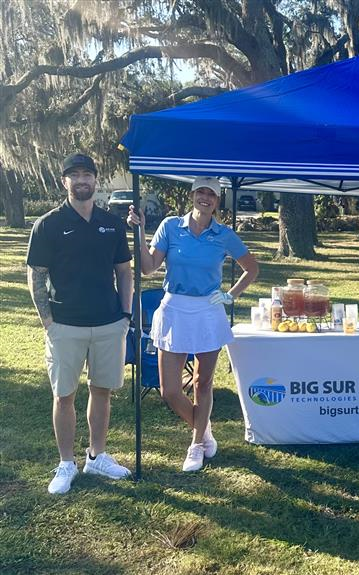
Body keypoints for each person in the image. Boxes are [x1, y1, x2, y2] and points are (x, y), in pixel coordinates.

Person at [128, 177, 258, 472]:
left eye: (211, 194)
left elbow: (252, 268)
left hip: (207, 312)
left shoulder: (223, 234)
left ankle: (197, 443)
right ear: (192, 195)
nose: (205, 198)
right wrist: (139, 229)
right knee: (170, 390)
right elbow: (148, 268)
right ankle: (205, 427)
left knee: (202, 382)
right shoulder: (171, 227)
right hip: (174, 308)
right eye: (200, 192)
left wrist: (228, 296)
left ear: (217, 200)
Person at [26, 153, 133, 494]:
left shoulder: (112, 223)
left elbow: (124, 272)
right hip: (65, 325)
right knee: (64, 396)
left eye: (87, 173)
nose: (82, 180)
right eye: (75, 175)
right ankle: (66, 463)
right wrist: (48, 322)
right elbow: (35, 277)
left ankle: (96, 456)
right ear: (65, 182)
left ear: (96, 180)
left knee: (102, 391)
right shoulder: (48, 224)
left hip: (108, 323)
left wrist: (126, 316)